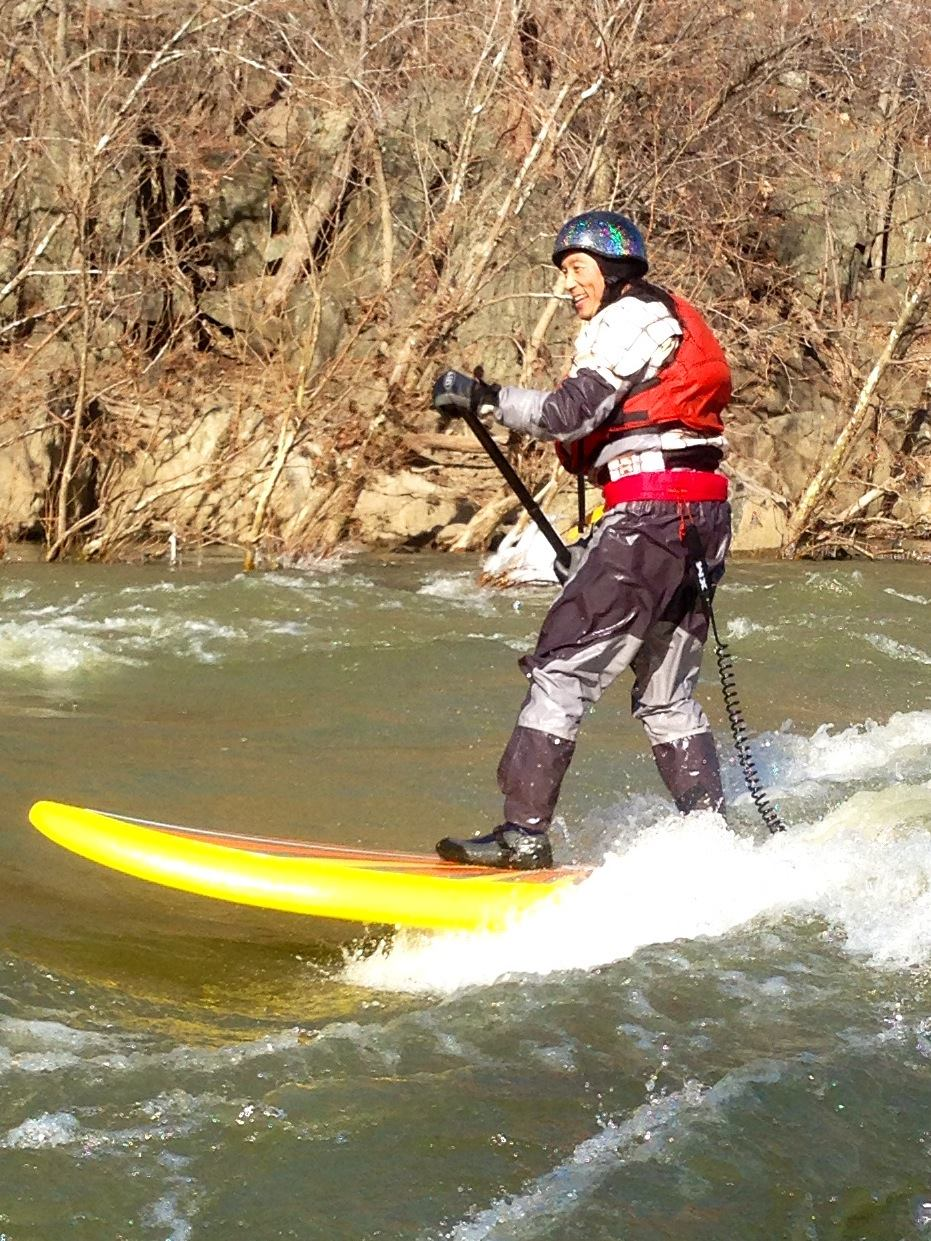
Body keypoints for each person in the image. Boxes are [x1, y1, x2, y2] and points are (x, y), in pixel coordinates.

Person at [431, 210, 732, 870]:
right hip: (696, 517)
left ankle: (521, 838)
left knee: (559, 668)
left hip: (654, 515)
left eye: (575, 269)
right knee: (664, 694)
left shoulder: (626, 316)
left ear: (614, 268)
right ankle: (712, 845)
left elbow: (568, 414)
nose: (567, 285)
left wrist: (482, 397)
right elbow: (623, 443)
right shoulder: (659, 321)